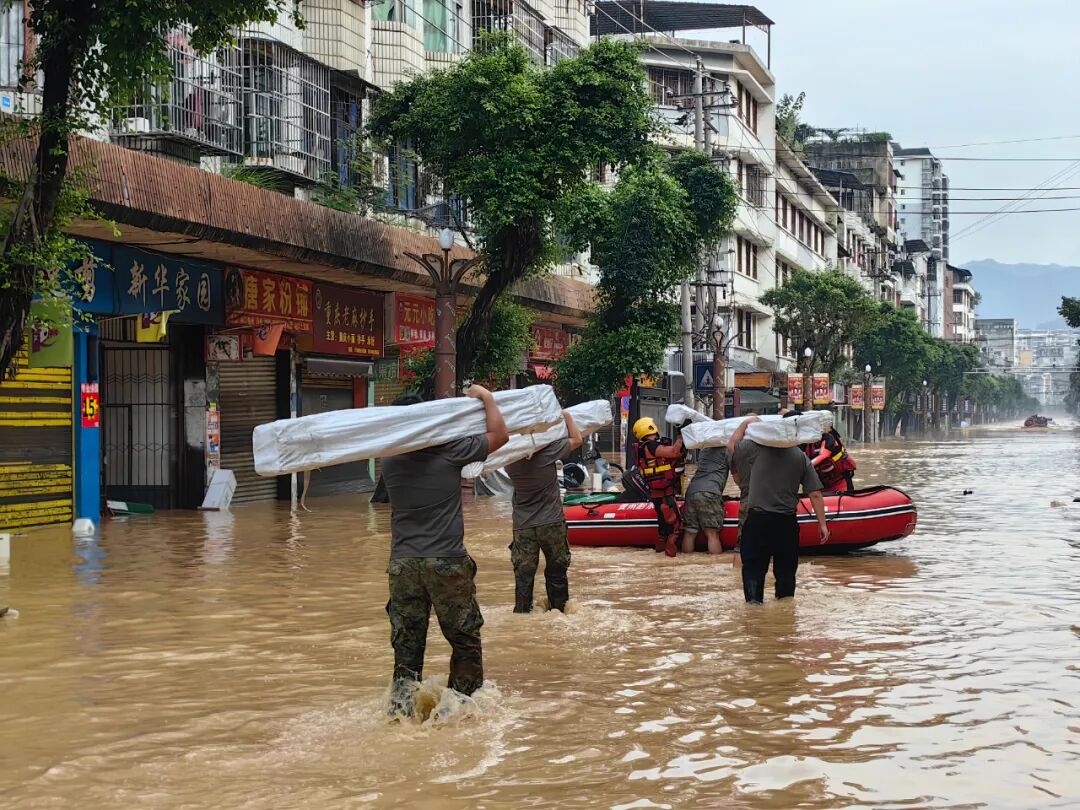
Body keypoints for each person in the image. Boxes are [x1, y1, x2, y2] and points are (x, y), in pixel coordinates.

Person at [380, 385, 509, 718]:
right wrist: (487, 398)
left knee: (406, 650)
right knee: (465, 643)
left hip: (403, 566)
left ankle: (399, 716)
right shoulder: (450, 452)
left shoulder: (389, 460)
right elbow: (500, 435)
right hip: (446, 563)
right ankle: (457, 715)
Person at [727, 415, 830, 604]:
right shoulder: (800, 457)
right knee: (786, 572)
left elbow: (732, 446)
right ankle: (786, 615)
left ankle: (753, 612)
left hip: (758, 521)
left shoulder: (754, 450)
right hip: (786, 523)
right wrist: (822, 524)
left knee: (753, 570)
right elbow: (815, 494)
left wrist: (745, 423)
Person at [504, 411, 583, 613]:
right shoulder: (548, 453)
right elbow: (577, 439)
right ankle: (558, 612)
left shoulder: (510, 462)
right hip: (551, 523)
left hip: (523, 527)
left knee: (523, 575)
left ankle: (522, 616)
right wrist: (566, 415)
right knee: (557, 572)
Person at [632, 417, 685, 557]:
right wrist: (681, 436)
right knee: (675, 526)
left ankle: (659, 559)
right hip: (664, 494)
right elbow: (675, 452)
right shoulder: (652, 446)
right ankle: (670, 559)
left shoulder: (643, 448)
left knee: (663, 528)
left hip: (656, 494)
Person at [680, 445, 728, 554]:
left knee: (689, 532)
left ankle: (685, 564)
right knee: (712, 534)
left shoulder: (704, 450)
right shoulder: (727, 450)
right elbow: (737, 474)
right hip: (709, 492)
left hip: (691, 491)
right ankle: (714, 566)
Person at [806, 426, 857, 492]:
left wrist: (804, 468)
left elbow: (824, 455)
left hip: (839, 481)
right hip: (820, 483)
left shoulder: (828, 438)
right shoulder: (804, 443)